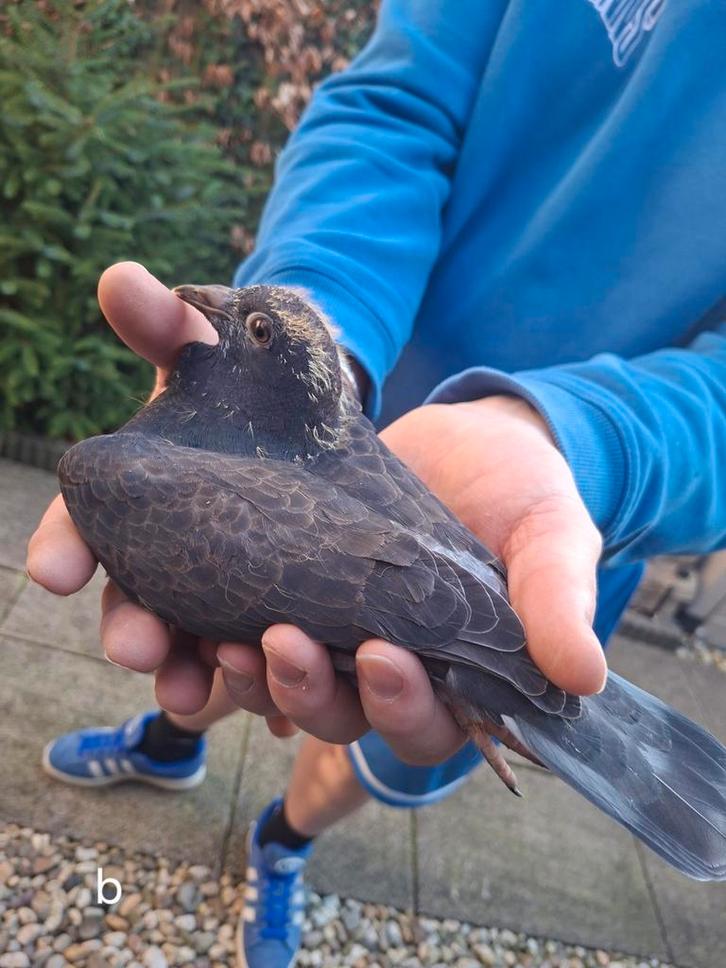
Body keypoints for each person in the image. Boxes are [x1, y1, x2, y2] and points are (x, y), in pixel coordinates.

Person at [28, 2, 726, 967]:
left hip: (547, 524)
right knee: (235, 658)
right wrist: (333, 332)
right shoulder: (189, 467)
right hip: (389, 407)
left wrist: (583, 439)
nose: (218, 306)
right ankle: (171, 742)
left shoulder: (141, 480)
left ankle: (280, 843)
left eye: (253, 330)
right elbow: (397, 103)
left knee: (372, 723)